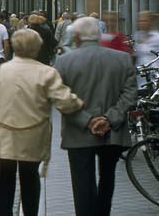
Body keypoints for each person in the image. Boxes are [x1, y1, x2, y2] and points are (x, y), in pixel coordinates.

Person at [0, 27, 83, 216]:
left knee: (3, 183)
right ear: (37, 48)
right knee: (30, 180)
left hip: (2, 137)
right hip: (32, 138)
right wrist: (80, 102)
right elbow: (65, 102)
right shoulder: (46, 73)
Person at [55, 15, 137, 216]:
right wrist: (110, 118)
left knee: (82, 184)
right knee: (107, 178)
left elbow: (59, 97)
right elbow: (130, 93)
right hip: (112, 131)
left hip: (78, 132)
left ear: (76, 37)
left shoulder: (64, 61)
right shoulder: (122, 58)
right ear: (98, 35)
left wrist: (87, 120)